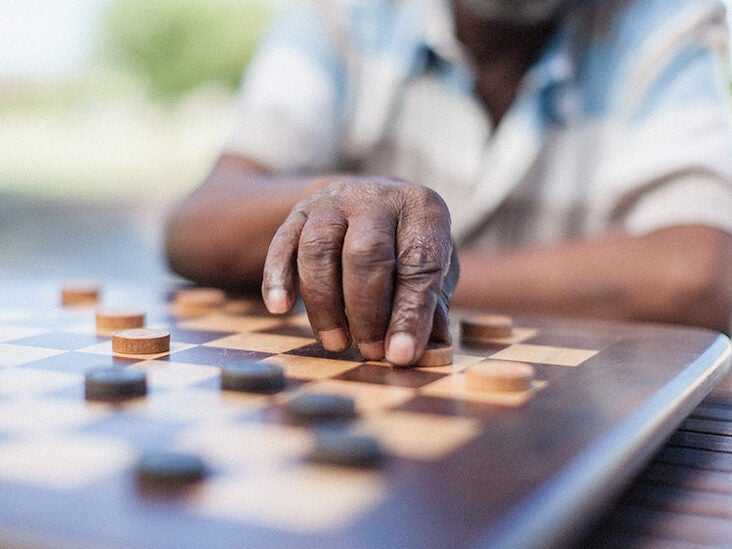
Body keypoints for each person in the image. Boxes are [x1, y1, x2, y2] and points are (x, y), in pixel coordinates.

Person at [165, 0, 732, 366]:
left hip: (568, 431)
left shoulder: (667, 18)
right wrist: (347, 203)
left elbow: (697, 276)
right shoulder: (341, 13)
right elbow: (197, 226)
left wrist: (404, 275)